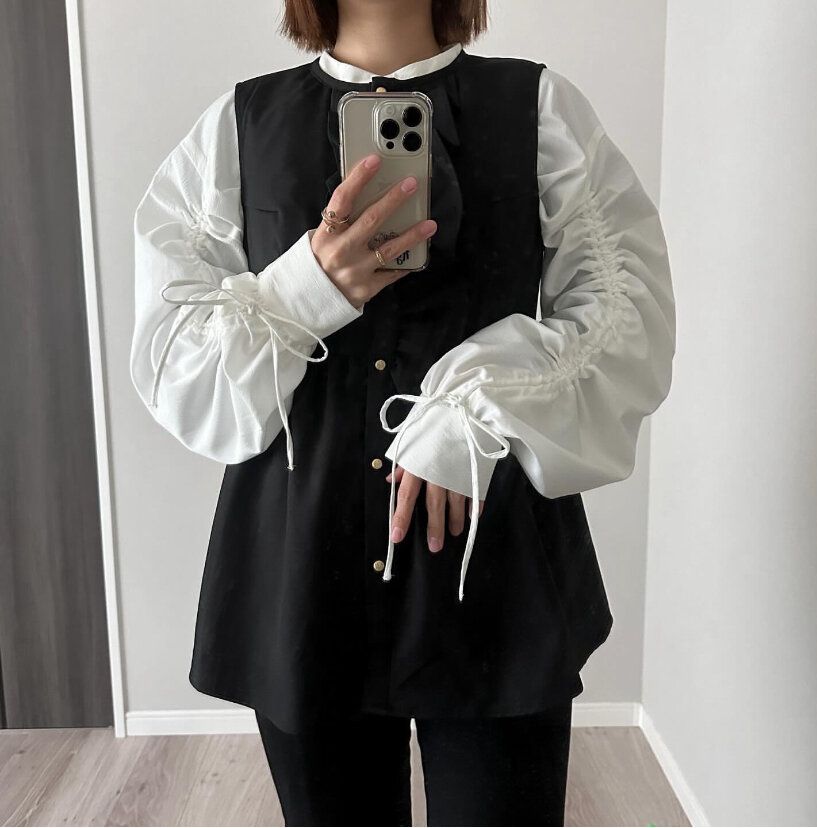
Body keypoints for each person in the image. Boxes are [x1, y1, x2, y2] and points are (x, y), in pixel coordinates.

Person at [130, 0, 676, 824]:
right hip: (303, 570)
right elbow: (173, 355)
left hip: (492, 565)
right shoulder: (237, 126)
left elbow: (624, 317)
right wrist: (305, 287)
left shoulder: (538, 108)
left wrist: (473, 408)